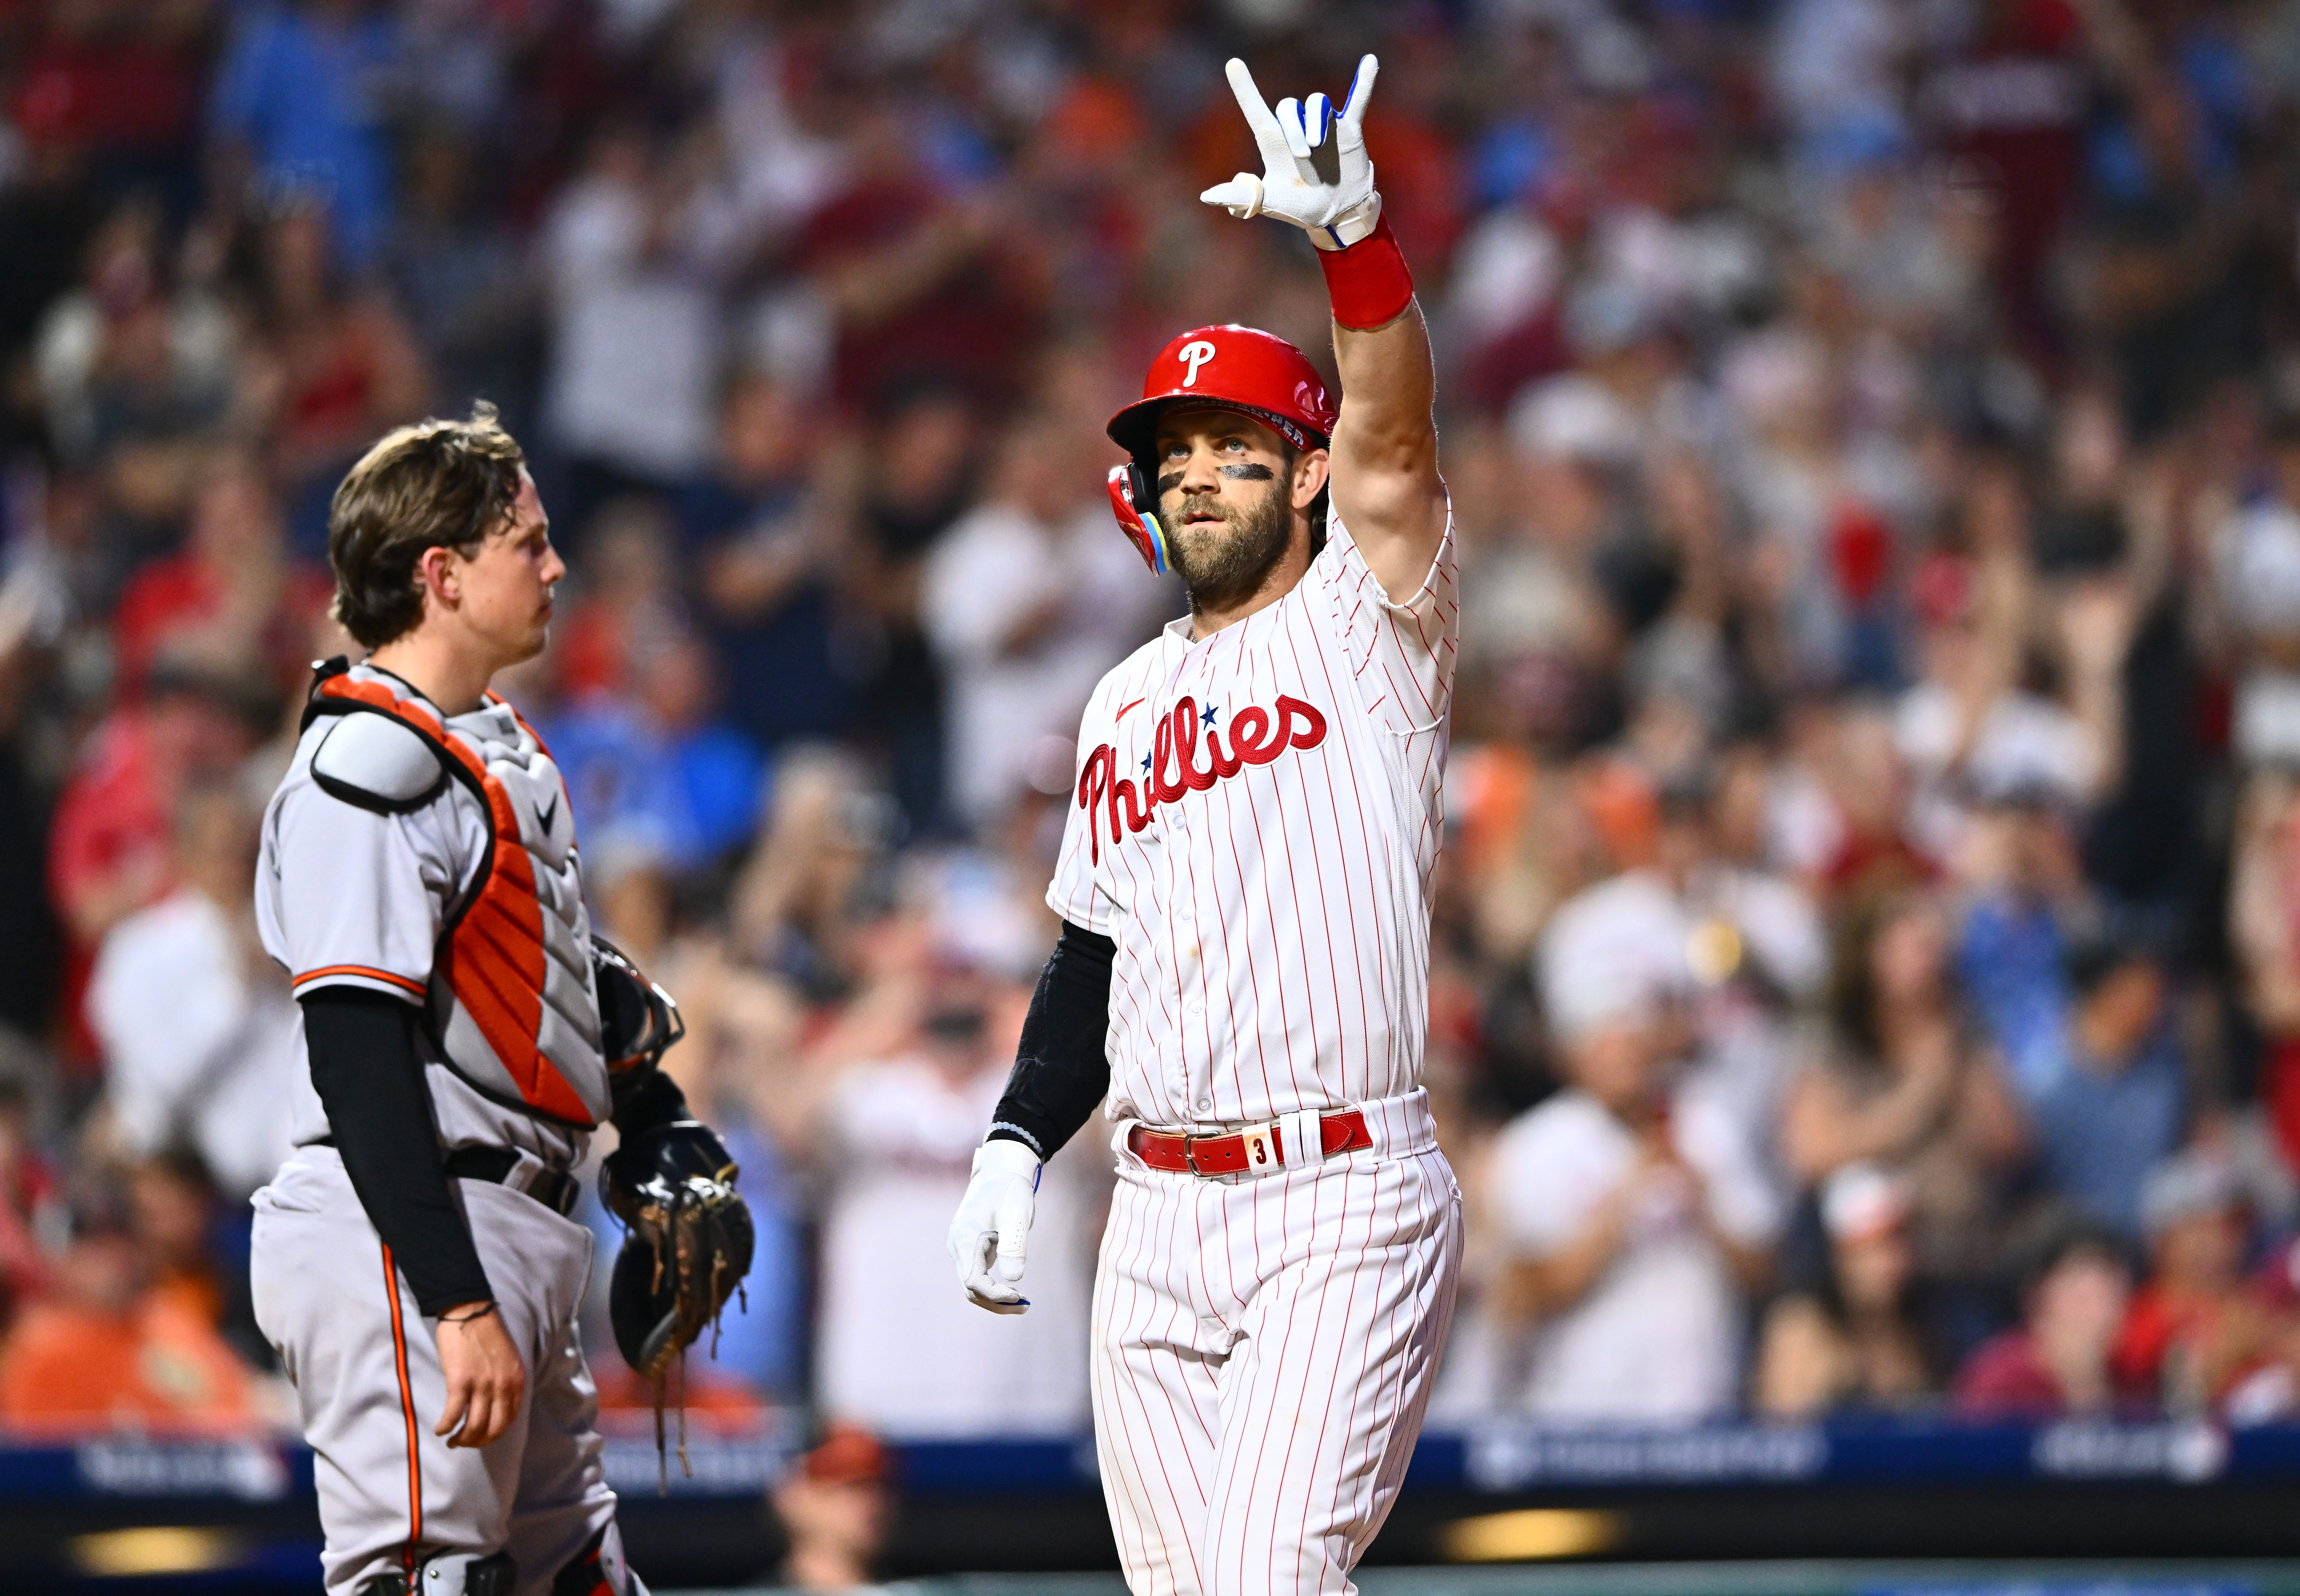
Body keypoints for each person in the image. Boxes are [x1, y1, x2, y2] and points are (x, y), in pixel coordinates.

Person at [947, 56, 1466, 1594]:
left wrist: (1352, 251)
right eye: (1170, 458)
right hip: (1153, 1220)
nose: (1195, 476)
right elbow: (1087, 957)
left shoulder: (1370, 620)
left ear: (1299, 473)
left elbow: (1393, 449)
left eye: (1233, 447)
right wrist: (1012, 1142)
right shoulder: (1117, 701)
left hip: (1337, 1195)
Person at [246, 408, 744, 1596]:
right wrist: (453, 1296)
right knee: (426, 1577)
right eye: (527, 540)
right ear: (441, 573)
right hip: (410, 1232)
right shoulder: (363, 769)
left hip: (505, 1220)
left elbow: (554, 984)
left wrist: (654, 1109)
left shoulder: (487, 744)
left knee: (575, 1572)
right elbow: (357, 1052)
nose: (556, 566)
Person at [1486, 969, 1779, 1419]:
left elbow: (1764, 1273)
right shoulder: (1537, 1145)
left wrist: (1703, 1201)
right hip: (1583, 1417)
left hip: (1705, 1408)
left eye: (1633, 1039)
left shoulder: (1707, 1124)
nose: (1625, 1055)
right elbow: (1527, 1295)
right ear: (1573, 1055)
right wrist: (1624, 1201)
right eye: (1607, 1042)